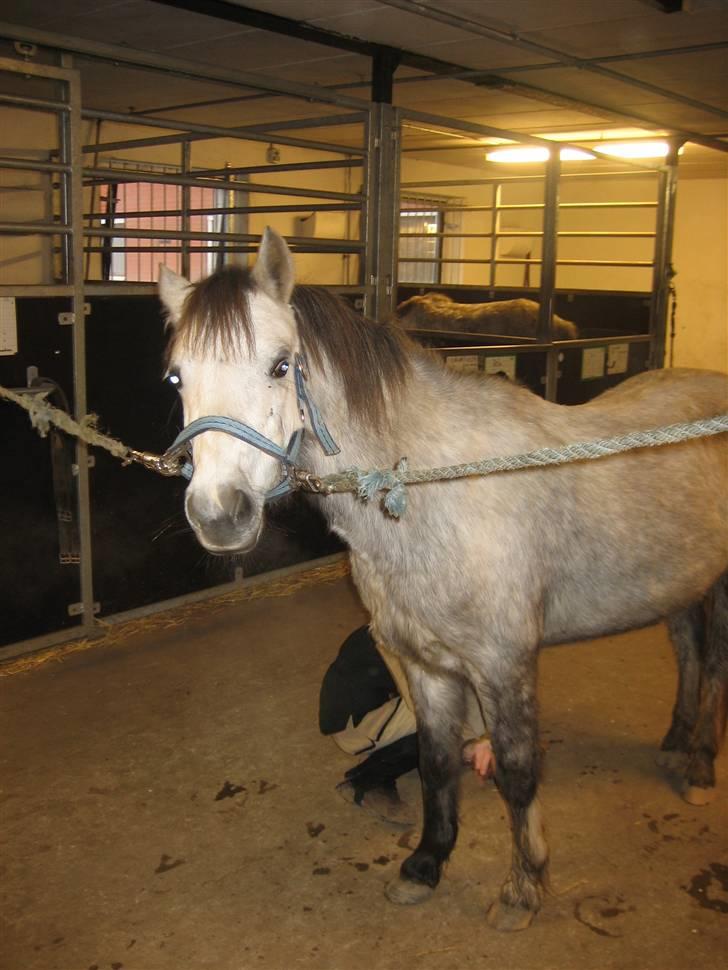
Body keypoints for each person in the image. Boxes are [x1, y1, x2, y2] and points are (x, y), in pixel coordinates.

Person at [319, 625, 495, 826]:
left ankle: (476, 749)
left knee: (458, 691)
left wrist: (489, 738)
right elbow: (426, 706)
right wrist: (470, 746)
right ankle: (367, 782)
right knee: (434, 717)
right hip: (352, 727)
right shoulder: (401, 635)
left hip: (384, 705)